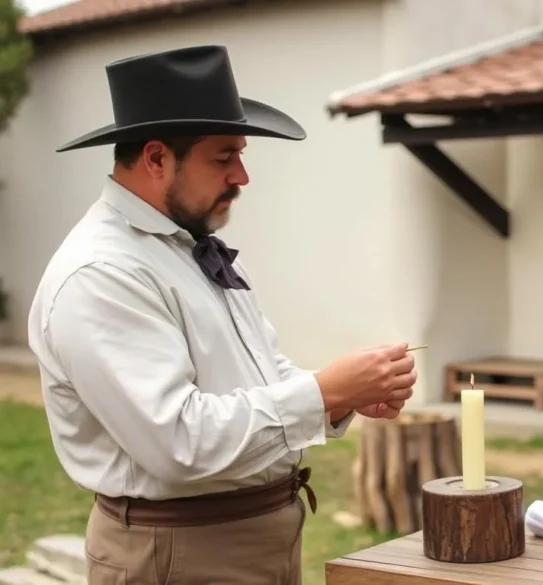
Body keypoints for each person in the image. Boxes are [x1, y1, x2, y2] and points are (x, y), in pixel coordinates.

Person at [26, 45, 417, 585]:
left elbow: (257, 373)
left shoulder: (188, 246)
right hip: (180, 553)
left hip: (245, 541)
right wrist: (323, 392)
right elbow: (178, 443)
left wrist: (342, 394)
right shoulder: (101, 273)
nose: (242, 176)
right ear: (157, 157)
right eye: (224, 157)